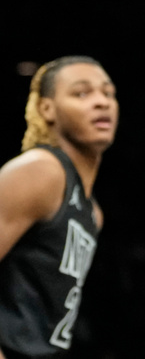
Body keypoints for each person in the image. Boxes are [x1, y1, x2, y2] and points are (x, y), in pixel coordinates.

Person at [0, 56, 118, 359]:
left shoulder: (93, 212)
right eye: (81, 93)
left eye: (108, 93)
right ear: (46, 108)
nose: (101, 102)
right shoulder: (41, 171)